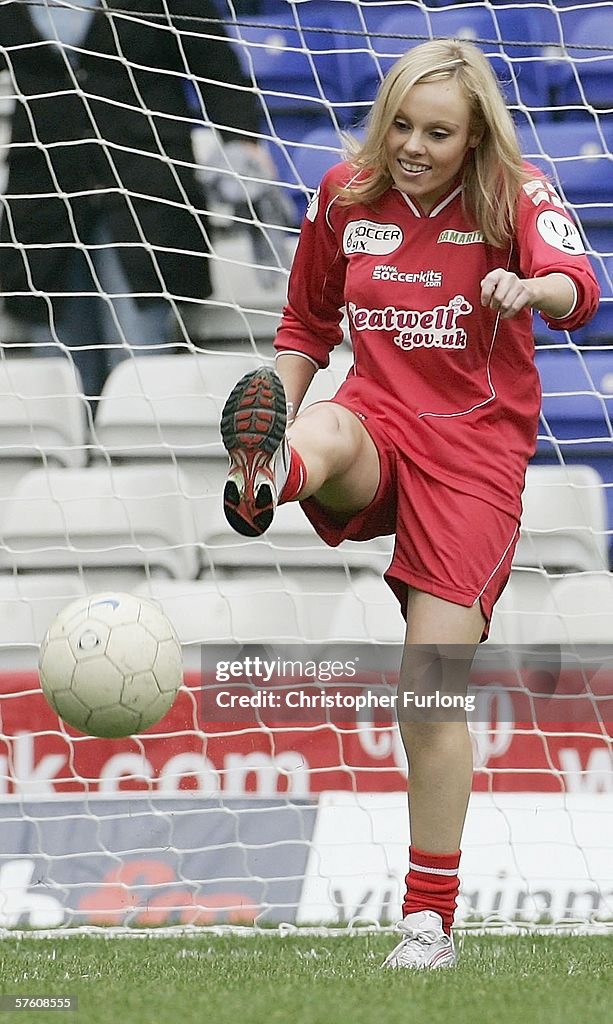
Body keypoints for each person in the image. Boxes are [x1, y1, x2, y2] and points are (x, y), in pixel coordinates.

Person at [219, 38, 600, 967]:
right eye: (401, 124)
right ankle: (267, 471)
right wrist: (279, 394)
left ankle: (427, 919)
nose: (413, 146)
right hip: (379, 423)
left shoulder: (516, 193)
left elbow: (579, 291)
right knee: (332, 426)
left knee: (426, 694)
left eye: (437, 132)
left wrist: (528, 284)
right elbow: (307, 325)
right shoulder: (345, 196)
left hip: (473, 456)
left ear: (473, 141)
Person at [0, 0, 263, 402]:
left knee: (141, 370)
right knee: (57, 379)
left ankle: (147, 457)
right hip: (43, 203)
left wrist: (242, 145)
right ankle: (67, 464)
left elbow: (217, 69)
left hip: (144, 194)